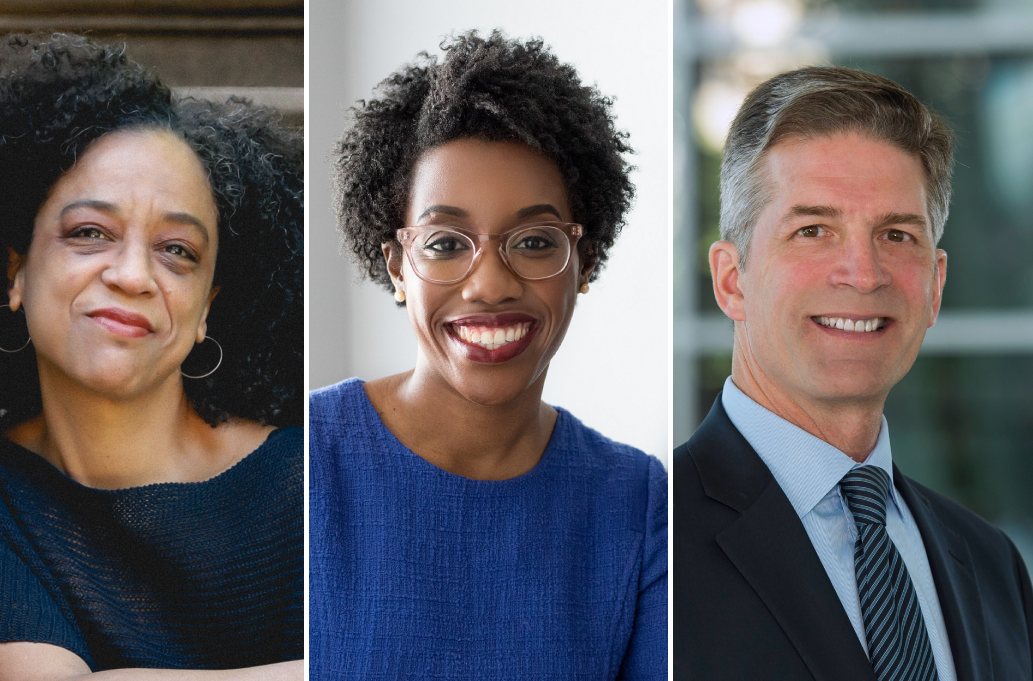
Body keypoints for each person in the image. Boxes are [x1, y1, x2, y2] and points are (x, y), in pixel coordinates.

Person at [0, 35, 303, 679]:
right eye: (89, 233)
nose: (134, 275)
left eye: (178, 251)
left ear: (207, 310)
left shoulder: (313, 482)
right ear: (16, 271)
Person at [310, 31, 667, 679]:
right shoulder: (304, 459)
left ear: (582, 261)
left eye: (534, 241)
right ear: (396, 266)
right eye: (447, 243)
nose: (491, 284)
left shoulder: (638, 505)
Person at [674, 66, 1033, 679]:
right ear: (732, 280)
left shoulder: (991, 562)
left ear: (936, 285)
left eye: (896, 234)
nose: (864, 274)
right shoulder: (641, 541)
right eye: (813, 230)